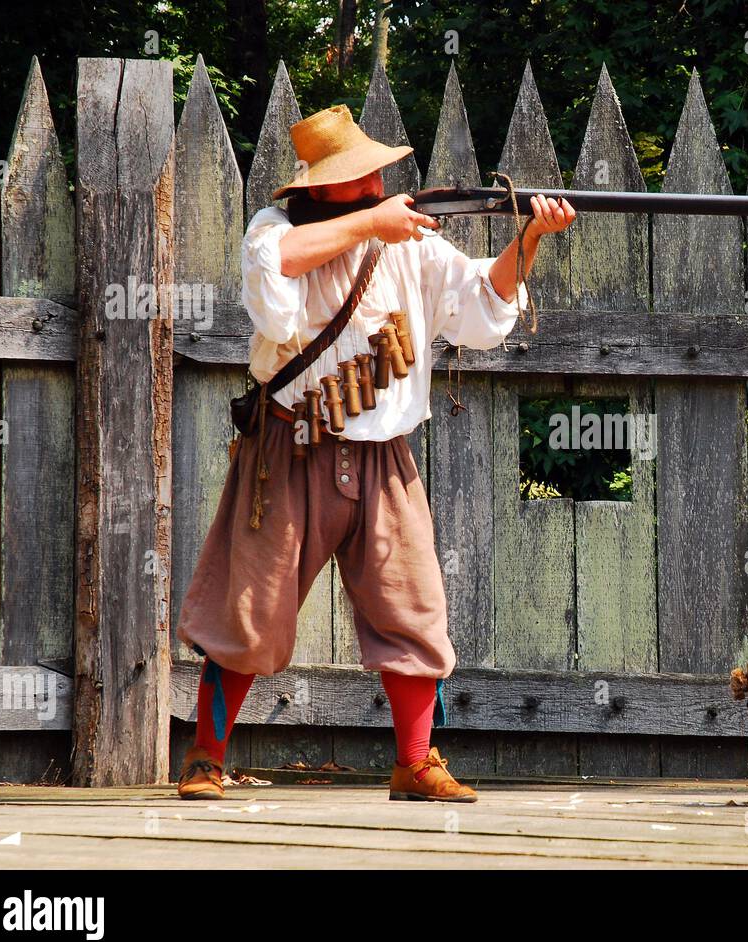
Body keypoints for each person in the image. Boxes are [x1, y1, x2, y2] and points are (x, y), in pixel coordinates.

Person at [175, 104, 575, 802]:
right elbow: (273, 293)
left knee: (413, 613)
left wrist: (532, 238)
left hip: (385, 454)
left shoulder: (412, 242)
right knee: (248, 610)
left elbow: (482, 309)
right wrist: (371, 224)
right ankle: (206, 759)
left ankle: (416, 763)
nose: (372, 182)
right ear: (320, 188)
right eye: (357, 177)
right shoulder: (275, 231)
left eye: (372, 175)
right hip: (291, 445)